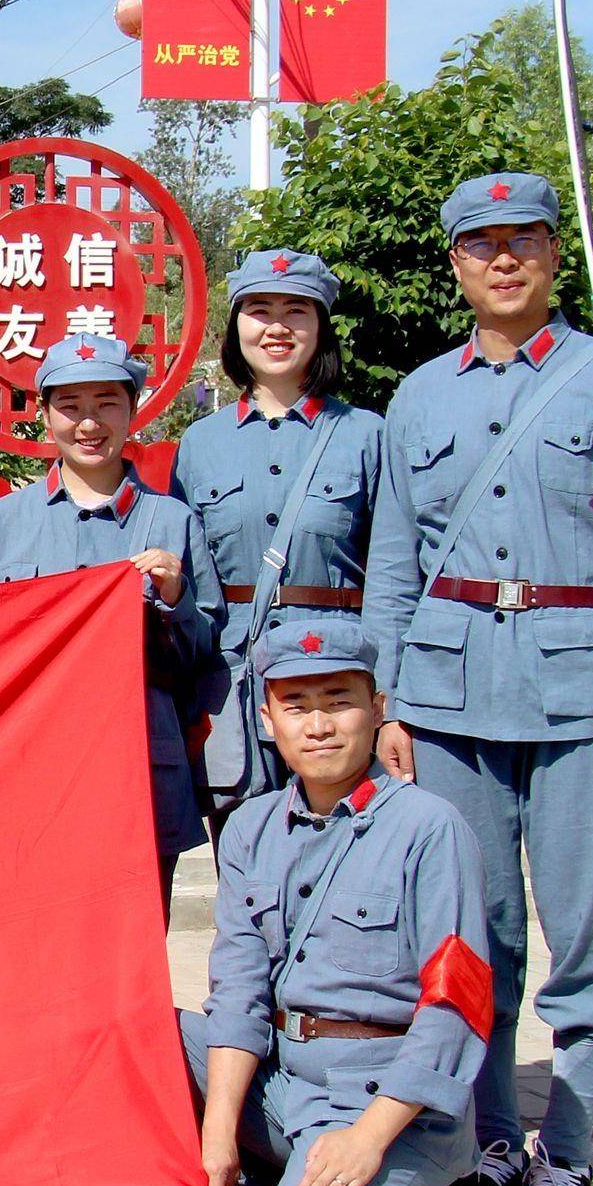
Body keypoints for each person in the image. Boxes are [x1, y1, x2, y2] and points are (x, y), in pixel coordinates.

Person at [361, 172, 593, 1186]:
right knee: (477, 934)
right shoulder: (419, 397)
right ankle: (492, 1140)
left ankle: (574, 1152)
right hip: (450, 696)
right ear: (454, 263)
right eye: (481, 244)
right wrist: (389, 701)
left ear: (552, 256)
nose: (503, 260)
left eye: (525, 240)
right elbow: (396, 562)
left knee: (586, 931)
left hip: (581, 691)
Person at [131, 621, 492, 1186]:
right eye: (297, 705)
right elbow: (239, 993)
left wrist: (367, 1139)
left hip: (384, 1100)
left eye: (339, 700)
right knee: (138, 1031)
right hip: (283, 1077)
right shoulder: (251, 827)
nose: (319, 724)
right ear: (268, 719)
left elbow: (456, 1006)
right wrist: (217, 1144)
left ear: (377, 707)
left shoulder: (430, 828)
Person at [0, 335, 218, 913]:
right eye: (71, 405)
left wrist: (176, 596)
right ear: (43, 415)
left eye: (107, 402)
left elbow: (207, 650)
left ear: (133, 408)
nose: (89, 422)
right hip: (37, 768)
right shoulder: (5, 524)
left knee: (136, 947)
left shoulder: (173, 521)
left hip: (141, 758)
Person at [170, 248, 385, 820]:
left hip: (335, 680)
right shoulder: (200, 443)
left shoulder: (365, 435)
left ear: (321, 328)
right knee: (246, 856)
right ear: (236, 324)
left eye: (297, 311)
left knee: (350, 850)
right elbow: (186, 577)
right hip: (236, 681)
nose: (277, 327)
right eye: (259, 310)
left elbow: (393, 572)